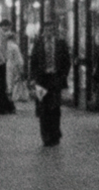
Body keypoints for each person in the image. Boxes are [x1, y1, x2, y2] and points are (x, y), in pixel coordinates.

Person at [29, 19, 71, 147]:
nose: (49, 32)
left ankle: (55, 134)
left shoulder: (60, 44)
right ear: (43, 31)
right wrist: (33, 78)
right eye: (47, 30)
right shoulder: (38, 44)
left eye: (52, 30)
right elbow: (33, 62)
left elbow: (66, 61)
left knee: (55, 108)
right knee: (43, 108)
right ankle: (46, 136)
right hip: (42, 80)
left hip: (55, 79)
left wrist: (63, 75)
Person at [5, 32, 27, 104]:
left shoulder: (5, 46)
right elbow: (19, 59)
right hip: (14, 65)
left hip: (7, 64)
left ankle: (8, 98)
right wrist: (21, 68)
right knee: (15, 82)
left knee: (9, 82)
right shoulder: (15, 46)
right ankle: (14, 97)